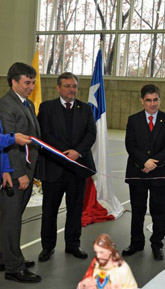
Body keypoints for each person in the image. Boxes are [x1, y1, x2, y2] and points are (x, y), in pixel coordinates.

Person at [37, 72, 96, 262]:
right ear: (58, 88)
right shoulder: (47, 108)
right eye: (68, 86)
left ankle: (73, 245)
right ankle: (47, 247)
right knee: (49, 211)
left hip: (76, 169)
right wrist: (64, 153)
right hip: (53, 168)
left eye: (74, 86)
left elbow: (90, 134)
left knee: (75, 210)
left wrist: (77, 152)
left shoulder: (85, 109)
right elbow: (45, 133)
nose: (72, 90)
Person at [122, 84, 165, 261]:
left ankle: (157, 244)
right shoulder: (133, 120)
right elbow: (130, 144)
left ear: (159, 100)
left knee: (158, 211)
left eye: (155, 100)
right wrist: (143, 161)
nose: (152, 104)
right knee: (137, 211)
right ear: (142, 101)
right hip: (138, 172)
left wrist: (154, 163)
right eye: (148, 100)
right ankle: (136, 243)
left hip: (159, 173)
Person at [0, 62, 41, 283]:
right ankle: (14, 267)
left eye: (33, 82)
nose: (32, 86)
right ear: (14, 82)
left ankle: (5, 256)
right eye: (27, 82)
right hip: (15, 173)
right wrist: (18, 173)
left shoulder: (27, 104)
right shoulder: (6, 105)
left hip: (27, 169)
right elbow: (8, 141)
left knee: (11, 218)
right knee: (12, 220)